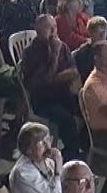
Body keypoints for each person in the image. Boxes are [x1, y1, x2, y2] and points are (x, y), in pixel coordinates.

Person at [19, 15, 84, 156]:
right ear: (39, 30)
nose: (54, 31)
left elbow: (73, 72)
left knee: (84, 108)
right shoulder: (31, 52)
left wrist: (54, 77)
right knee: (66, 119)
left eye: (55, 27)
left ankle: (82, 148)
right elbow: (39, 83)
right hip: (43, 100)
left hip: (62, 94)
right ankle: (71, 155)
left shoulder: (62, 46)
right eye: (50, 28)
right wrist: (54, 56)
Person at [8, 123, 63, 193]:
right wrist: (58, 171)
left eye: (48, 140)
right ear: (29, 149)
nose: (48, 146)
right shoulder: (22, 172)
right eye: (42, 143)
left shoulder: (47, 161)